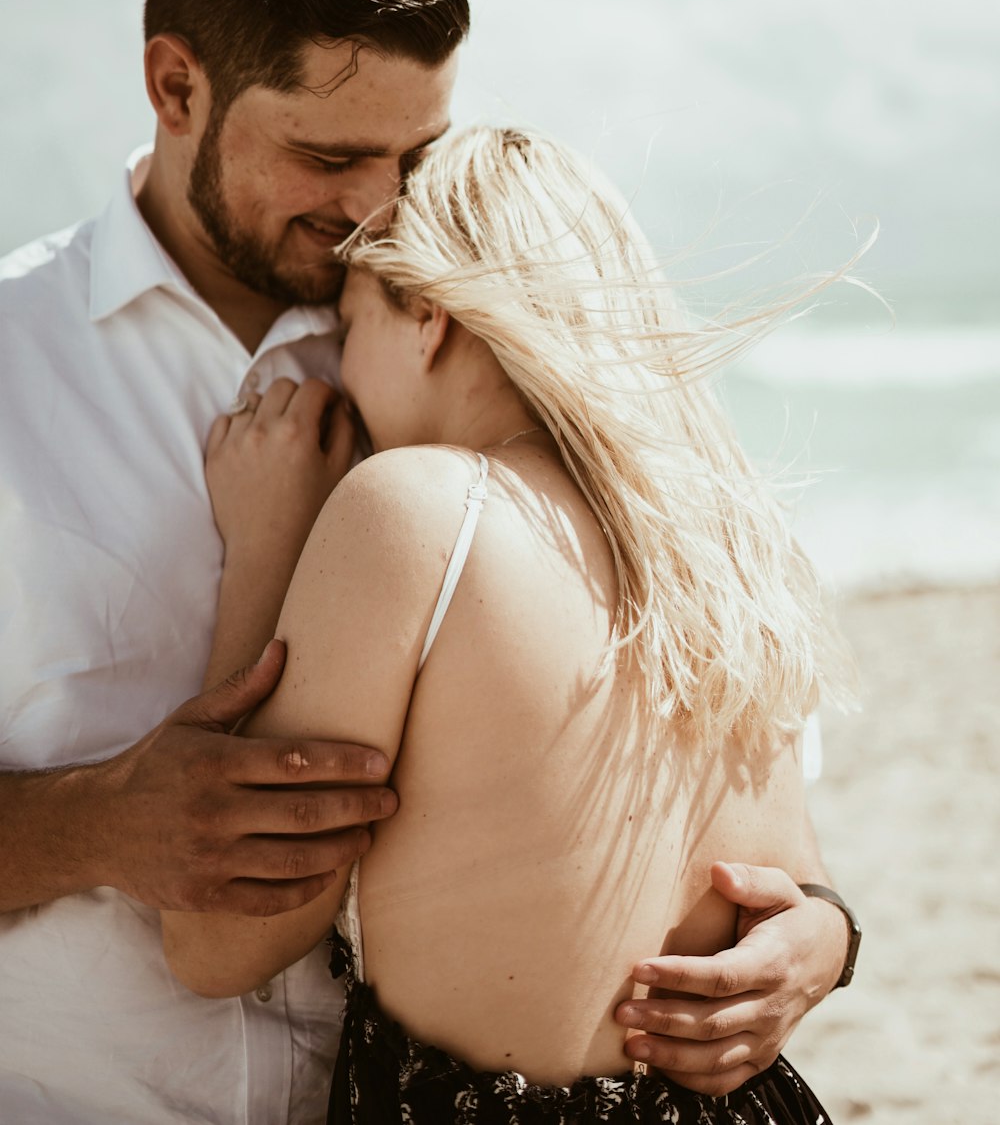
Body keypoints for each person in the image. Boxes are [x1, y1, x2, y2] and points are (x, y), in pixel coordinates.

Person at [0, 0, 853, 1125]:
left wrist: (819, 936)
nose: (377, 207)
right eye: (333, 158)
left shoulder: (448, 343)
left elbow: (702, 747)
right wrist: (95, 825)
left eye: (413, 152)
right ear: (176, 88)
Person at [162, 124, 856, 1122]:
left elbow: (214, 945)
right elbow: (790, 879)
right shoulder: (722, 544)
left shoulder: (414, 510)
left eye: (351, 323)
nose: (342, 371)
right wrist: (830, 932)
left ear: (431, 318)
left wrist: (261, 552)